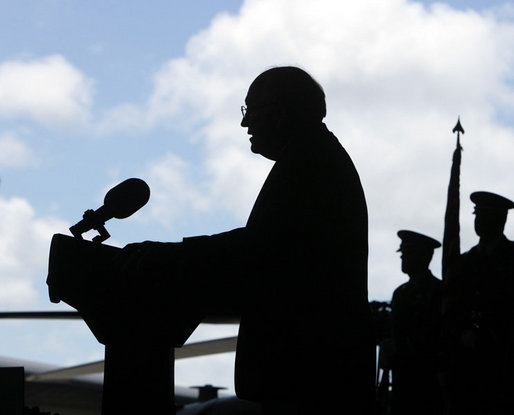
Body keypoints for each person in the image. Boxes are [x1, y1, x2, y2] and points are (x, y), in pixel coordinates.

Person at [120, 66, 376, 415]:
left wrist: (167, 257)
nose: (245, 124)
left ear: (280, 112)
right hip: (317, 374)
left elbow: (257, 254)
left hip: (308, 378)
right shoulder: (314, 158)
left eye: (249, 111)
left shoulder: (310, 164)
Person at [441, 191, 514, 415]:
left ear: (501, 220)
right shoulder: (465, 262)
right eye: (477, 215)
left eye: (486, 216)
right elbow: (453, 306)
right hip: (466, 366)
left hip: (503, 363)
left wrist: (491, 337)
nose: (478, 221)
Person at [389, 230, 443, 415]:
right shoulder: (399, 293)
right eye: (403, 254)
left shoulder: (438, 292)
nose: (403, 258)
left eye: (407, 254)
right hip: (400, 377)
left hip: (426, 378)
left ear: (424, 256)